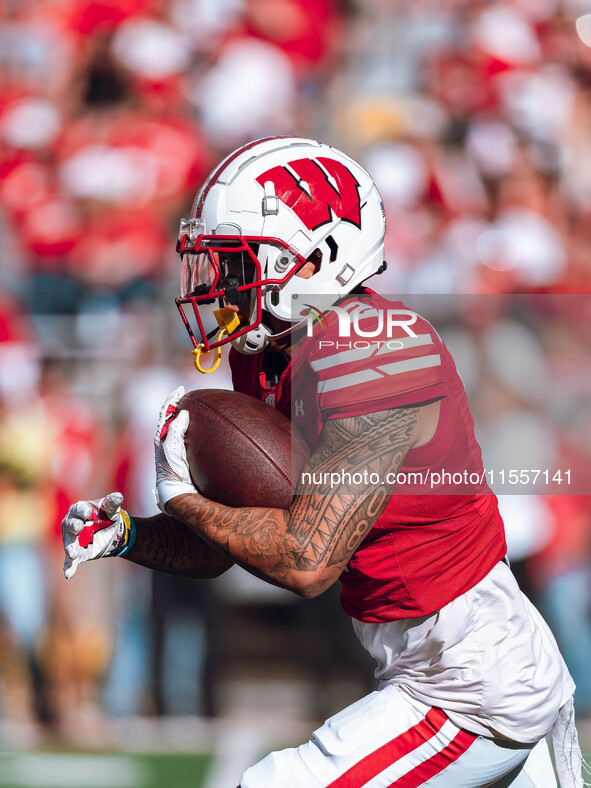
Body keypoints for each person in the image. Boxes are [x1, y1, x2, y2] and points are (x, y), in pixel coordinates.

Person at [61, 137, 584, 788]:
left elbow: (305, 559)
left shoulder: (375, 355)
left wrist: (180, 497)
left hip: (469, 677)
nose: (219, 283)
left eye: (237, 262)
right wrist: (131, 533)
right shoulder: (269, 353)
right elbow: (235, 543)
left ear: (316, 259)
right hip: (429, 659)